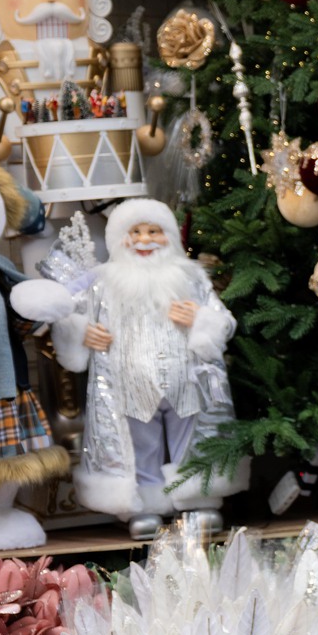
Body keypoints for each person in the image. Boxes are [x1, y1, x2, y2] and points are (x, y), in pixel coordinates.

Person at [54, 197, 245, 537]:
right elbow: (69, 315)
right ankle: (143, 506)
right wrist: (83, 333)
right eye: (135, 232)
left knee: (195, 438)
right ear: (118, 239)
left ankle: (199, 501)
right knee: (136, 443)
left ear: (169, 235)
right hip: (128, 381)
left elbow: (223, 321)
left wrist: (201, 320)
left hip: (187, 378)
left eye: (154, 231)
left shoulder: (191, 277)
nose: (144, 240)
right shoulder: (102, 282)